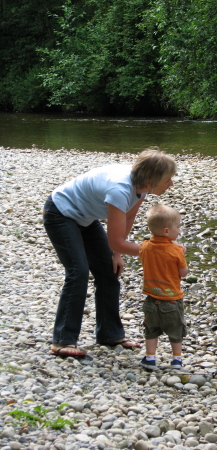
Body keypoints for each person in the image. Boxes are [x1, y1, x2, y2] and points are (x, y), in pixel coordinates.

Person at [43, 149, 177, 357]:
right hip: (60, 213)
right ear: (151, 180)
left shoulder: (141, 187)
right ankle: (62, 340)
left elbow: (129, 217)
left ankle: (110, 334)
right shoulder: (119, 189)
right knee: (78, 271)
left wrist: (116, 254)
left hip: (85, 218)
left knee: (109, 270)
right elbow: (116, 241)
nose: (171, 184)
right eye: (168, 180)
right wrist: (159, 252)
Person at [138, 204, 188, 370]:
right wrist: (181, 254)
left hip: (151, 299)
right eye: (178, 227)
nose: (179, 230)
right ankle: (176, 360)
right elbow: (183, 273)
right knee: (176, 331)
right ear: (167, 231)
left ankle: (150, 358)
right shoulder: (176, 251)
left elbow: (149, 256)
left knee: (151, 330)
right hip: (172, 300)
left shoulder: (144, 246)